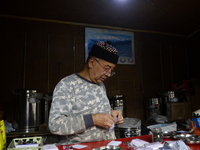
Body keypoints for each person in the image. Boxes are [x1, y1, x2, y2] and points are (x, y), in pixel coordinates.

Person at [49, 41, 124, 144]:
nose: (108, 74)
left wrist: (110, 113)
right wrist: (93, 120)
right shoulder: (67, 85)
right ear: (92, 63)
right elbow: (55, 125)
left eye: (111, 70)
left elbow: (88, 109)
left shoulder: (100, 85)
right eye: (106, 69)